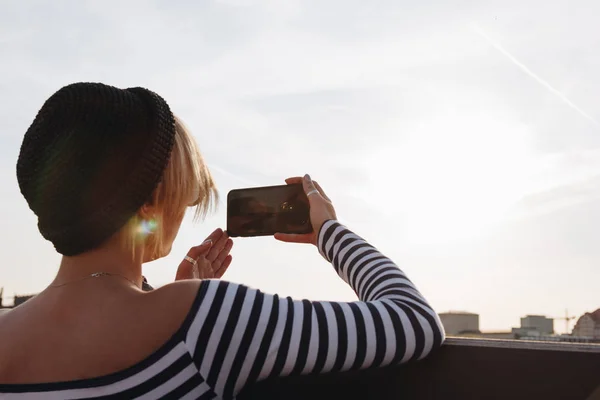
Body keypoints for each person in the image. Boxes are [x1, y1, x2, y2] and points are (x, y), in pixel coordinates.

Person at [0, 83, 445, 399]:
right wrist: (330, 231)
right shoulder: (203, 317)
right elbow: (413, 321)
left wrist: (165, 296)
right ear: (152, 201)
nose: (190, 205)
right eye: (187, 193)